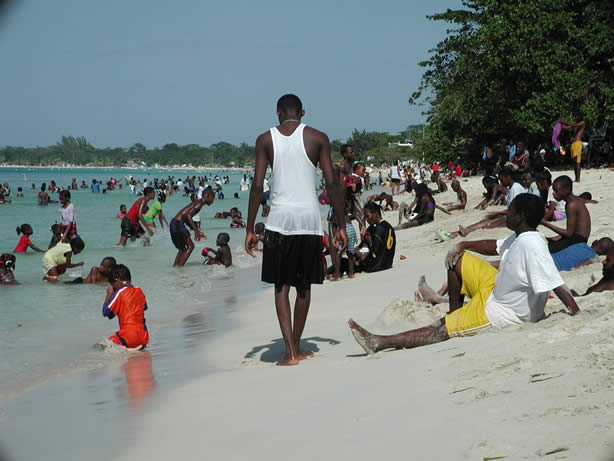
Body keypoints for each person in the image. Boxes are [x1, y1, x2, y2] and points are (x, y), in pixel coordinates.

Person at [349, 194, 579, 355]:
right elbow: (494, 245)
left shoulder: (532, 245)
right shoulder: (521, 235)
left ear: (520, 216)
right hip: (494, 289)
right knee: (456, 259)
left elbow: (556, 283)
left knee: (441, 327)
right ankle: (455, 312)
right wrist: (463, 244)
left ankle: (379, 342)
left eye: (510, 211)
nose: (505, 214)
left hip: (500, 312)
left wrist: (576, 314)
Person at [244, 94, 347, 366]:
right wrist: (341, 223)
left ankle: (289, 352)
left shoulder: (265, 140)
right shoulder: (318, 138)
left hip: (279, 219)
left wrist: (249, 228)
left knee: (282, 286)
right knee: (304, 286)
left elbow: (257, 186)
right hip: (308, 220)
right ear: (302, 112)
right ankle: (297, 346)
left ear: (278, 112)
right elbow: (332, 182)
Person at [102, 264, 149, 350]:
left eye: (113, 285)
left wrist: (109, 294)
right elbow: (144, 308)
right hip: (144, 338)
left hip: (129, 337)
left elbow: (106, 312)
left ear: (117, 280)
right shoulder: (139, 290)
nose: (113, 288)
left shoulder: (120, 291)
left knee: (100, 346)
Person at [170, 187, 215, 266]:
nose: (213, 201)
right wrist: (196, 230)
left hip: (176, 223)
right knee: (190, 246)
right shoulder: (200, 203)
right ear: (207, 196)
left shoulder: (198, 202)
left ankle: (175, 268)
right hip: (177, 224)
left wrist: (194, 229)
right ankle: (180, 267)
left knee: (182, 249)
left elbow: (186, 216)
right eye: (213, 198)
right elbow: (188, 215)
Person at [354, 202, 396, 273]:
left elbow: (375, 251)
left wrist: (369, 241)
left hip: (377, 266)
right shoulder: (388, 226)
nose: (366, 220)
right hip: (388, 263)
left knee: (353, 257)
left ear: (376, 214)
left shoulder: (378, 228)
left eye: (367, 216)